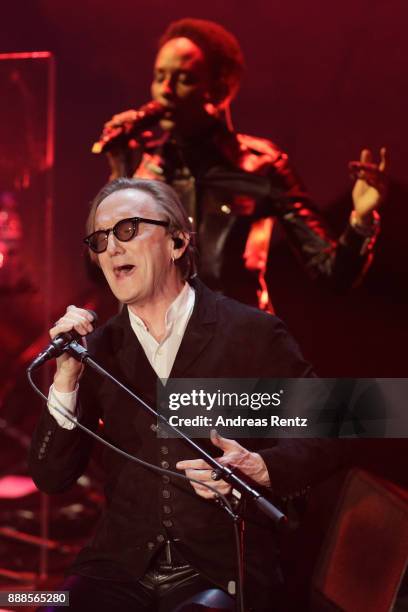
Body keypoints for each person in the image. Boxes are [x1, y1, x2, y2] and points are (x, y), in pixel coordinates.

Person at [29, 178, 351, 612]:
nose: (111, 248)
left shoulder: (251, 333)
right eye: (100, 238)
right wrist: (65, 379)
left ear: (178, 242)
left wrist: (260, 466)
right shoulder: (97, 350)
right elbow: (51, 478)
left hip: (222, 566)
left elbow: (333, 427)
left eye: (127, 229)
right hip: (119, 568)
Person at [100, 17, 387, 311]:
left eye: (184, 79)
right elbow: (102, 272)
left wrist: (361, 223)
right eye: (159, 77)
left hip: (239, 347)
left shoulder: (261, 166)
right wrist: (119, 175)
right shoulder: (145, 166)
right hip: (154, 350)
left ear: (219, 90)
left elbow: (331, 274)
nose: (166, 90)